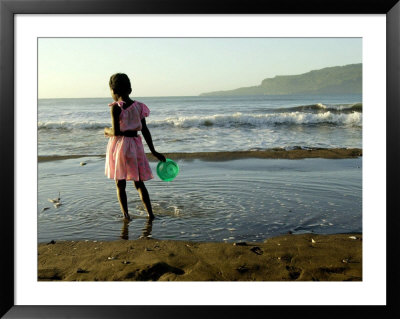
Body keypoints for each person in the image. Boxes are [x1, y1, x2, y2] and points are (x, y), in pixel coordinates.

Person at [104, 73, 165, 220]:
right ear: (130, 90)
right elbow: (144, 130)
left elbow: (116, 131)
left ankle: (126, 215)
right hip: (136, 146)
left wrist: (106, 130)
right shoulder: (139, 107)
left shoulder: (116, 108)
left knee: (120, 183)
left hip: (121, 146)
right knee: (139, 183)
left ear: (113, 91)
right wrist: (154, 151)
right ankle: (150, 214)